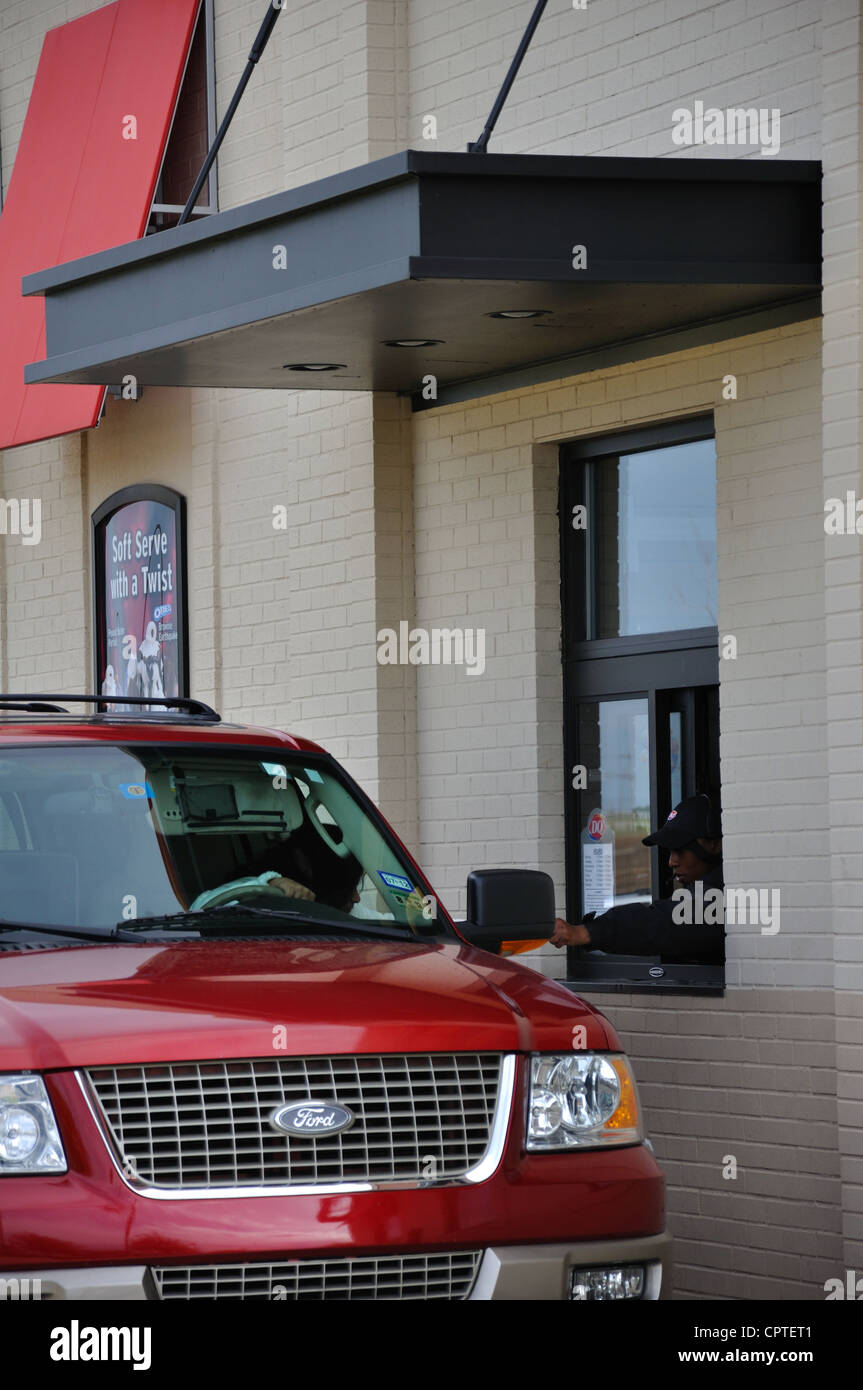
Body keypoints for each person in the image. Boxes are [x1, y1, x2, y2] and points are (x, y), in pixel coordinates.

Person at [549, 794, 724, 963]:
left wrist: (583, 933)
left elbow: (663, 924)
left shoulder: (721, 898)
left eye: (680, 850)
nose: (672, 862)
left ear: (715, 845)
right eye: (670, 852)